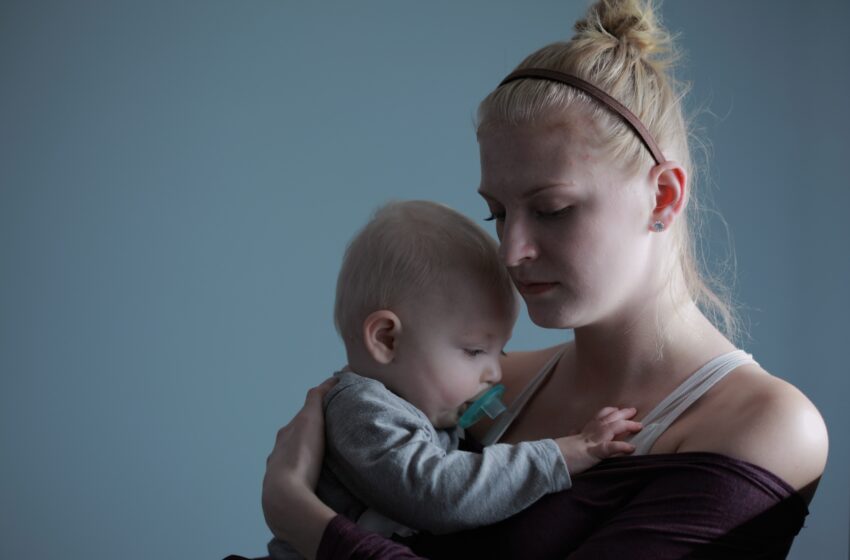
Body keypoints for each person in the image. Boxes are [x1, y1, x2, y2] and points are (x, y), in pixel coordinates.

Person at [259, 0, 828, 558]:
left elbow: (335, 516)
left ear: (663, 195)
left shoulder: (767, 426)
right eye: (497, 213)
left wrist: (305, 521)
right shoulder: (484, 383)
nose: (511, 252)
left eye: (552, 209)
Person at [268, 200, 641, 559]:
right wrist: (562, 454)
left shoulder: (423, 410)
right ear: (387, 339)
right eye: (475, 351)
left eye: (500, 352)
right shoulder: (363, 412)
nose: (495, 373)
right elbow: (440, 493)